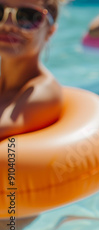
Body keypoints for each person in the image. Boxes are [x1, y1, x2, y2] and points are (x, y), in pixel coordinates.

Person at [0, 0, 62, 142]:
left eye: (27, 16)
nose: (7, 25)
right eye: (0, 11)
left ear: (50, 32)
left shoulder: (45, 92)